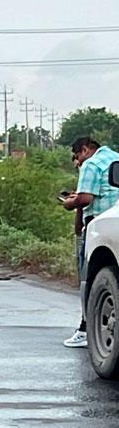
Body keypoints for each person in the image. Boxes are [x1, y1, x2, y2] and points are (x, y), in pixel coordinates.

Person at [62, 137, 119, 348]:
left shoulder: (91, 164)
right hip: (115, 226)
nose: (77, 163)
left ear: (85, 150)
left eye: (76, 157)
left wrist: (70, 203)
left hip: (98, 228)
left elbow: (85, 199)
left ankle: (86, 329)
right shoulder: (115, 160)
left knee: (90, 280)